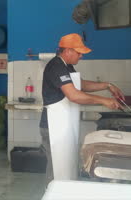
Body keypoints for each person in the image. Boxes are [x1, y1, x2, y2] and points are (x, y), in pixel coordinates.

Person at [39, 33, 124, 185]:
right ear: (68, 50)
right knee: (56, 169)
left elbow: (81, 85)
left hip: (63, 125)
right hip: (53, 126)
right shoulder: (56, 66)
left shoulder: (67, 66)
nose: (81, 56)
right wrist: (103, 101)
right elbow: (73, 95)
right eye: (79, 53)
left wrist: (107, 85)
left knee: (66, 166)